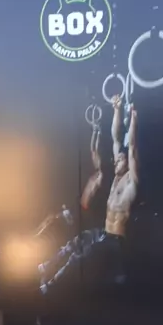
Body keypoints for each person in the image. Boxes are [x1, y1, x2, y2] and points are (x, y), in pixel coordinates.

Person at [39, 95, 138, 291]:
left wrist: (133, 117)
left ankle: (51, 285)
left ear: (128, 163)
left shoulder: (131, 181)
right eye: (117, 159)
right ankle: (44, 267)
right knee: (76, 241)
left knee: (81, 256)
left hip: (116, 241)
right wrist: (117, 109)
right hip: (105, 233)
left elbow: (132, 148)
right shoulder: (116, 178)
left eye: (121, 159)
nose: (116, 160)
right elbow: (116, 138)